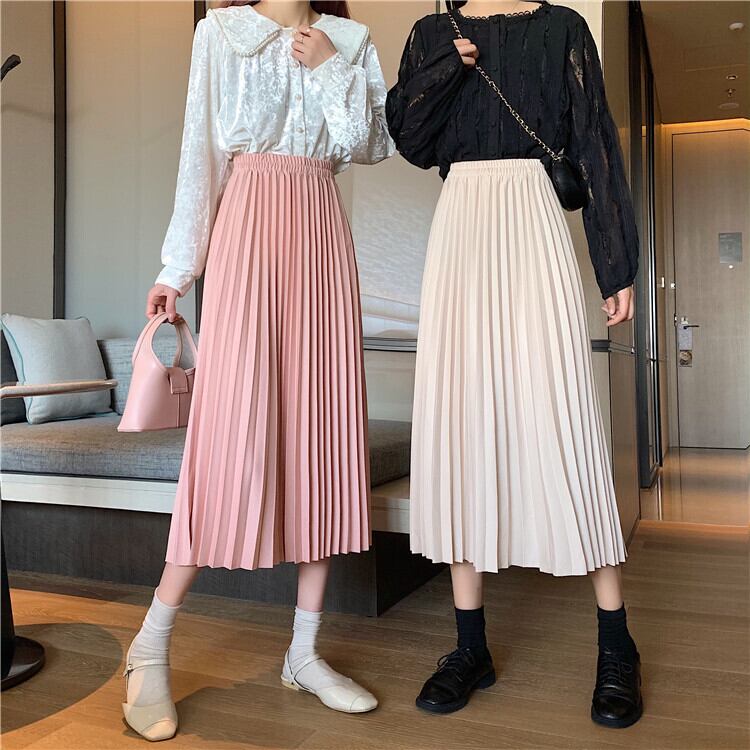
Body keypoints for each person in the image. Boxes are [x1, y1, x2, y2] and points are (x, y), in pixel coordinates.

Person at [122, 0, 394, 740]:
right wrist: (177, 268)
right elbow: (200, 156)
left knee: (321, 435)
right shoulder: (221, 33)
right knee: (226, 439)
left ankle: (304, 653)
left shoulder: (350, 40)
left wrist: (330, 67)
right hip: (245, 232)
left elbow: (370, 143)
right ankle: (150, 646)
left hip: (321, 237)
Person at [386, 0, 642, 728]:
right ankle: (470, 646)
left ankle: (616, 644)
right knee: (461, 426)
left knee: (565, 420)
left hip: (534, 224)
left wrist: (615, 263)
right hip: (461, 231)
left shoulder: (563, 28)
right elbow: (409, 138)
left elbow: (594, 141)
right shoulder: (434, 33)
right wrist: (446, 67)